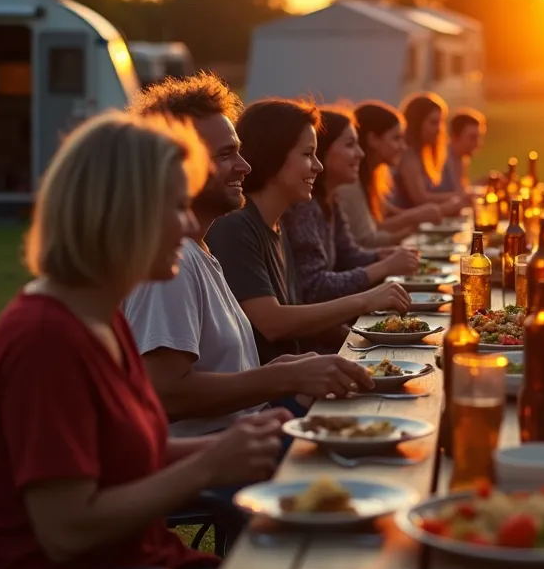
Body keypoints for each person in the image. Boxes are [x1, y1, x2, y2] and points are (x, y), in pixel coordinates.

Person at [0, 112, 291, 569]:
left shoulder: (98, 316)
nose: (190, 225)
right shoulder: (46, 341)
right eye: (177, 206)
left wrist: (233, 446)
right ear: (121, 213)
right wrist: (209, 467)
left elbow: (122, 453)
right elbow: (66, 530)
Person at [124, 75, 371, 435]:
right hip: (216, 472)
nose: (245, 166)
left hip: (249, 438)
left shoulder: (200, 249)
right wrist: (280, 378)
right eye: (226, 155)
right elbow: (166, 394)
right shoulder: (169, 261)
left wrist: (285, 371)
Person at [205, 98, 411, 366]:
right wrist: (364, 301)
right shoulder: (236, 226)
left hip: (297, 378)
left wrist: (365, 342)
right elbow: (273, 323)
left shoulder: (276, 223)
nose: (318, 166)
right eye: (307, 154)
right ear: (273, 155)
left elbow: (299, 310)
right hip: (270, 398)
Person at [280, 107, 422, 351]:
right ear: (323, 151)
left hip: (333, 329)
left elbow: (348, 255)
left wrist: (381, 256)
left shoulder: (329, 200)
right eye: (349, 145)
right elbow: (314, 288)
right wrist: (384, 266)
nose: (360, 153)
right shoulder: (304, 207)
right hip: (314, 346)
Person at [335, 101, 445, 248]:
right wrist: (414, 221)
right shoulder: (350, 184)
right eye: (396, 138)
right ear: (373, 139)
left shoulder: (371, 177)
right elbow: (368, 238)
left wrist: (417, 218)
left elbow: (384, 216)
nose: (403, 147)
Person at [388, 92, 469, 213]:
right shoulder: (408, 154)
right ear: (417, 123)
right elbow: (420, 198)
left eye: (441, 122)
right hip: (407, 226)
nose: (439, 129)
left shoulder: (424, 153)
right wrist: (459, 197)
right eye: (433, 122)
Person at [440, 108, 485, 195]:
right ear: (455, 137)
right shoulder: (443, 160)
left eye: (479, 137)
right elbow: (457, 194)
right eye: (472, 138)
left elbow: (461, 190)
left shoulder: (460, 159)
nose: (478, 143)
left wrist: (480, 183)